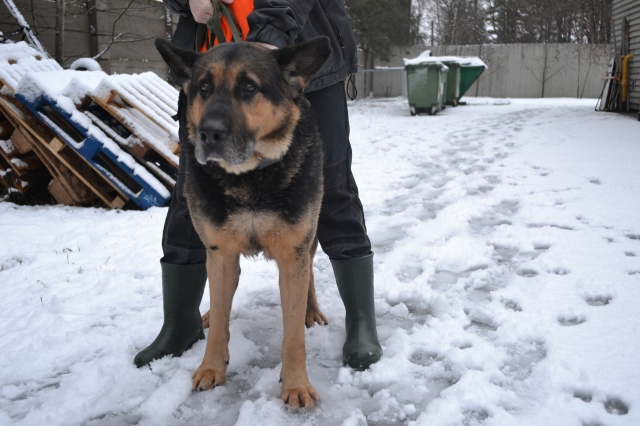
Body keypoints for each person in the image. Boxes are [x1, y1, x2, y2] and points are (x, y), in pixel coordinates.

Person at [134, 0, 382, 371]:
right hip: (211, 54)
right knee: (190, 200)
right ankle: (180, 322)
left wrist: (271, 33)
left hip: (291, 47)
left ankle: (360, 320)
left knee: (334, 189)